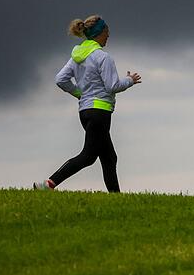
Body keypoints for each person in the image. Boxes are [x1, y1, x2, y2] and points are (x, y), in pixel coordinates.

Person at [34, 15, 142, 192]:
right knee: (88, 156)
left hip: (85, 112)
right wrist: (130, 80)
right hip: (100, 112)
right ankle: (48, 184)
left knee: (109, 157)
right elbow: (113, 86)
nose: (108, 36)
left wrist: (79, 94)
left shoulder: (77, 55)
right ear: (100, 33)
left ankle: (116, 197)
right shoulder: (103, 57)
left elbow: (61, 79)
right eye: (107, 32)